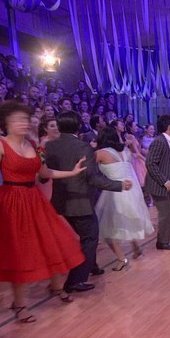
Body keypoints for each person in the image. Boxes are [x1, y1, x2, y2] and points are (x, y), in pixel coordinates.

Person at [0, 102, 88, 322]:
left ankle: (56, 286)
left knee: (51, 242)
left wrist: (72, 172)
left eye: (25, 119)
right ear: (6, 123)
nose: (24, 123)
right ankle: (19, 304)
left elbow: (44, 172)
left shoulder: (33, 144)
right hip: (11, 201)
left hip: (34, 199)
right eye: (18, 120)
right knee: (20, 253)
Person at [43, 111, 130, 291]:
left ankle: (91, 266)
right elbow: (93, 177)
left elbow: (45, 175)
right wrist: (119, 185)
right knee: (90, 237)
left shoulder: (50, 146)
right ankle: (75, 280)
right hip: (80, 202)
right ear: (78, 126)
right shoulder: (83, 147)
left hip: (59, 201)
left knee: (76, 238)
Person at [94, 128, 154, 270]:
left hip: (114, 192)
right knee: (124, 221)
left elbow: (88, 168)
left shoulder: (100, 153)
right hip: (131, 190)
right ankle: (135, 246)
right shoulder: (125, 151)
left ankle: (122, 259)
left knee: (109, 229)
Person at [145, 115, 170, 250]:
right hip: (158, 184)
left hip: (168, 183)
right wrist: (164, 181)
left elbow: (168, 165)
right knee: (166, 212)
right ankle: (162, 242)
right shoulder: (159, 142)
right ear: (169, 127)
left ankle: (169, 230)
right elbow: (150, 164)